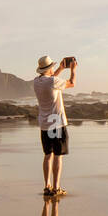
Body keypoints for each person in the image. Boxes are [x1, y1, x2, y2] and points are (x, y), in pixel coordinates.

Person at [32, 55, 75, 196]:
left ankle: (47, 186)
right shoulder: (52, 81)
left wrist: (61, 68)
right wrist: (72, 70)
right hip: (56, 122)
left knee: (47, 155)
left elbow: (51, 80)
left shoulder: (37, 81)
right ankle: (56, 188)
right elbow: (71, 83)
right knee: (58, 155)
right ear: (50, 68)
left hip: (44, 123)